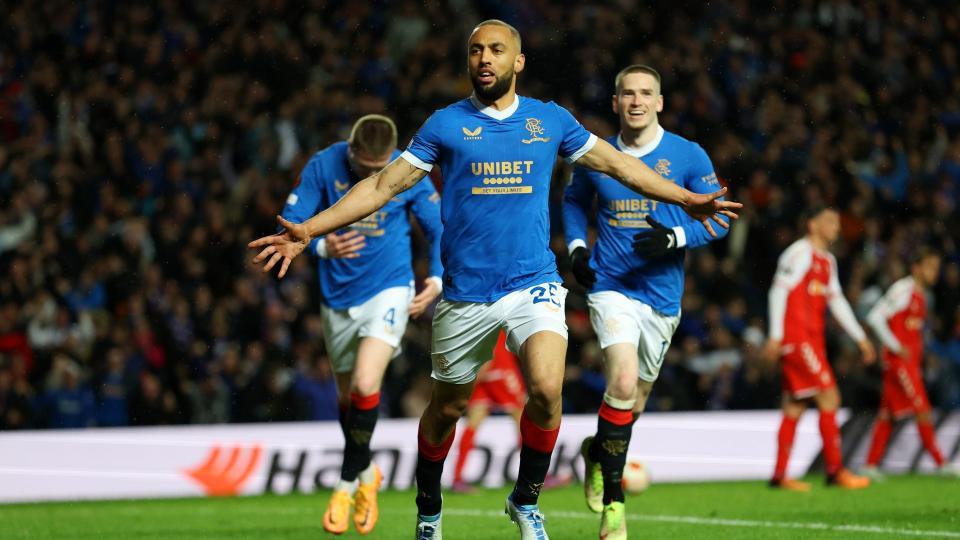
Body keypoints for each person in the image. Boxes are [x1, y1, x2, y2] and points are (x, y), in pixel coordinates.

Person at [249, 19, 740, 540]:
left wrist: (685, 199)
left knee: (548, 390)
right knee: (448, 409)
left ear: (518, 62)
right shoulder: (445, 125)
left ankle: (526, 502)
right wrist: (308, 229)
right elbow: (382, 185)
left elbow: (617, 164)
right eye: (476, 50)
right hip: (467, 295)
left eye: (497, 50)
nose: (485, 58)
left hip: (534, 284)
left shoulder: (550, 121)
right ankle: (429, 511)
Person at [562, 64, 730, 540]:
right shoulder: (597, 152)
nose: (636, 101)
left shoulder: (688, 155)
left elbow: (720, 220)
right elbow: (574, 202)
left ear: (659, 102)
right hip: (611, 287)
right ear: (615, 102)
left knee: (631, 405)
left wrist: (677, 235)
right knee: (621, 376)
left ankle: (597, 452)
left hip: (662, 297)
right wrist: (577, 248)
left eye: (645, 93)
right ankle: (614, 507)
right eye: (627, 94)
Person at [280, 114, 443, 535]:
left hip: (389, 289)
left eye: (380, 169)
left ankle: (346, 483)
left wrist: (438, 276)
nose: (376, 179)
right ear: (351, 150)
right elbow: (292, 223)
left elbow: (438, 228)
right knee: (348, 397)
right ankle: (367, 471)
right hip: (337, 298)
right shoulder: (323, 165)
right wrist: (320, 247)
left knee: (366, 386)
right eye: (367, 169)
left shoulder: (407, 168)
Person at [763, 205, 876, 491]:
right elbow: (778, 290)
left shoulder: (827, 260)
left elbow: (836, 300)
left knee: (795, 406)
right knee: (830, 397)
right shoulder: (798, 253)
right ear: (812, 224)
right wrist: (776, 336)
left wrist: (859, 337)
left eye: (837, 222)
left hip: (812, 342)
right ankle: (835, 471)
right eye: (829, 221)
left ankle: (779, 475)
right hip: (797, 339)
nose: (836, 227)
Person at [861, 249, 959, 479]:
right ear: (916, 268)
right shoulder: (903, 289)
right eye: (930, 267)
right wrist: (895, 346)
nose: (935, 272)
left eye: (937, 268)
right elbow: (875, 318)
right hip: (898, 363)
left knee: (888, 414)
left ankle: (870, 465)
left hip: (909, 363)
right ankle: (941, 462)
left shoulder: (921, 295)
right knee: (922, 408)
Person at [451, 330, 526, 493]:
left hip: (482, 369)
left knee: (473, 423)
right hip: (500, 368)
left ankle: (457, 479)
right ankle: (534, 477)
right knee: (523, 419)